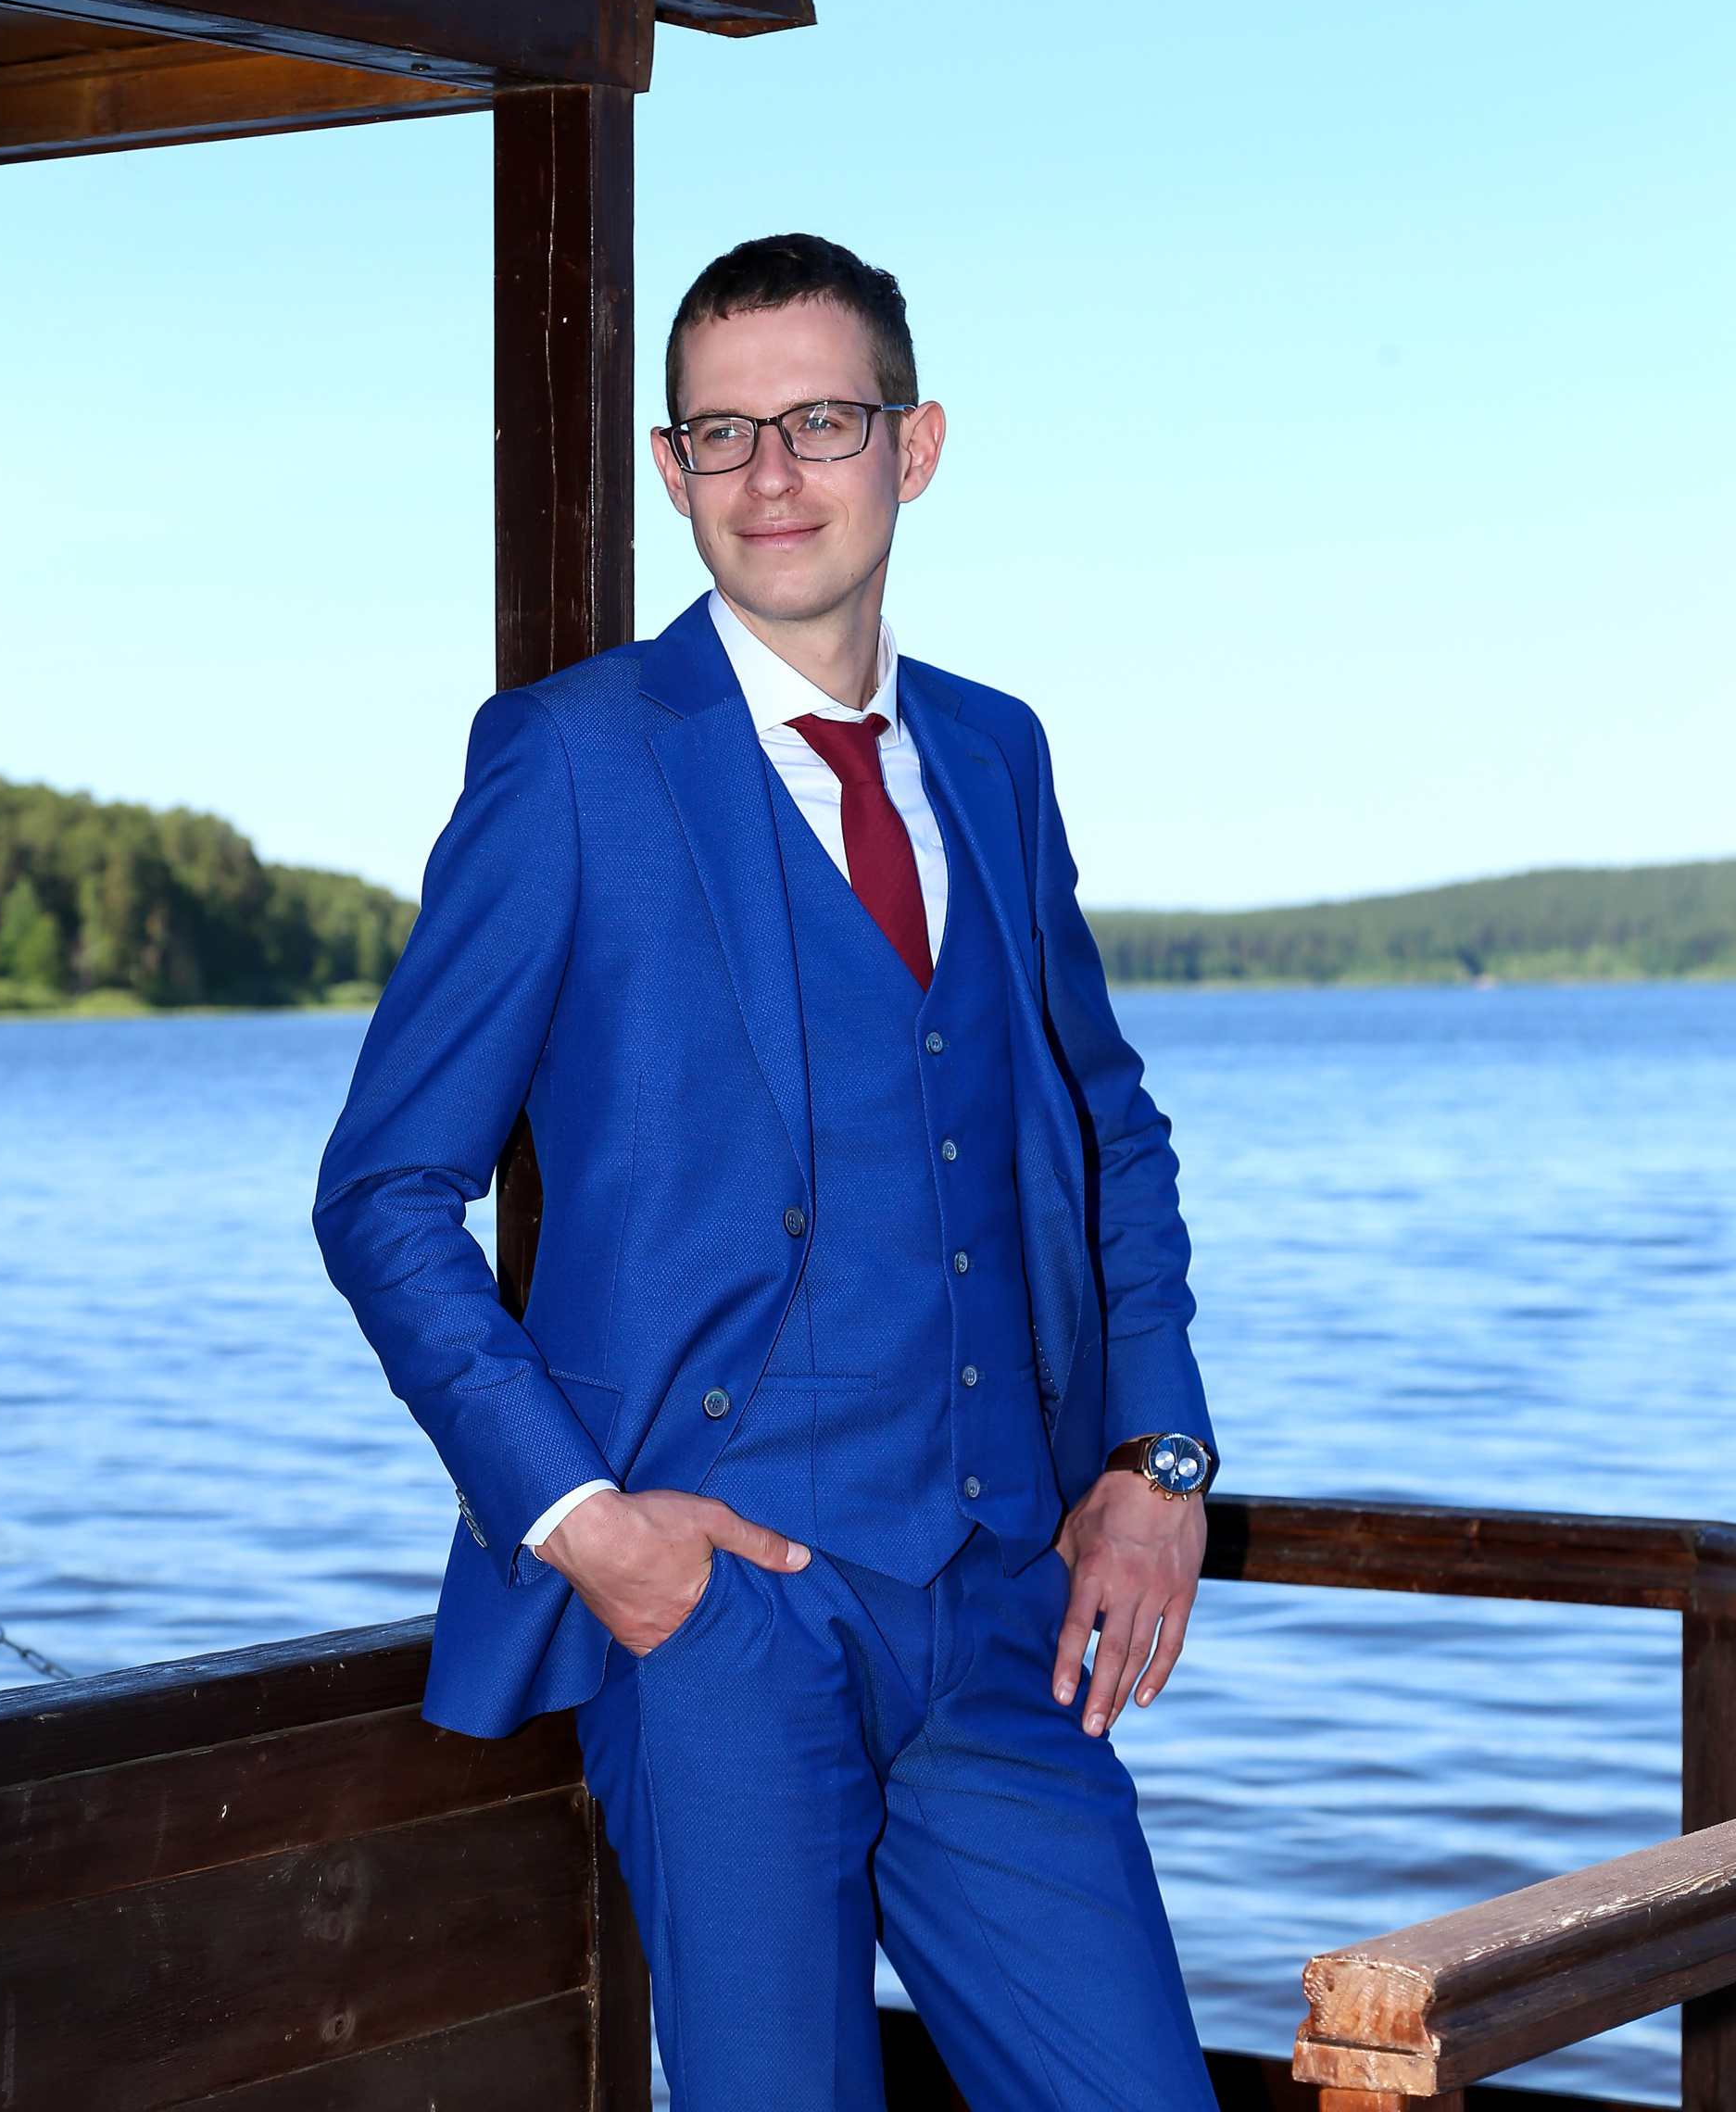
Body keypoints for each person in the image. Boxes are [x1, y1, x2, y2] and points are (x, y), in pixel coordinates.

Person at [314, 233, 1220, 2112]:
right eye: (722, 435)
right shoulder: (571, 763)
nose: (772, 476)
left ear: (916, 445)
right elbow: (384, 1193)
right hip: (722, 1619)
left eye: (821, 421)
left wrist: (1158, 1461)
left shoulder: (994, 753)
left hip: (1003, 1600)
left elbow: (1106, 1123)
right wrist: (585, 1525)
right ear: (672, 469)